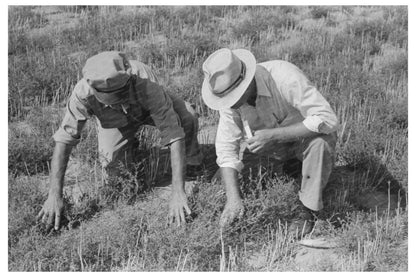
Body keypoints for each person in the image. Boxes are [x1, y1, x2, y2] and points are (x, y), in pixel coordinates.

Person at [37, 51, 202, 230]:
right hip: (115, 123)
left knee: (187, 116)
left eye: (120, 97)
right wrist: (54, 195)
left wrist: (178, 192)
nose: (117, 104)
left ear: (129, 82)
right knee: (117, 175)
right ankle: (134, 150)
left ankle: (192, 160)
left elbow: (172, 132)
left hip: (147, 111)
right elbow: (64, 141)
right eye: (109, 101)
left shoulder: (146, 82)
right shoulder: (82, 93)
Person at [201, 48, 338, 235]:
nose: (231, 103)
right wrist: (233, 198)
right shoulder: (229, 99)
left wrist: (273, 135)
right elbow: (226, 148)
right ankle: (291, 170)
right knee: (221, 182)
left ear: (246, 82)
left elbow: (327, 120)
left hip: (304, 140)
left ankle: (307, 210)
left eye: (234, 97)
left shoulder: (285, 77)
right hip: (268, 149)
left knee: (321, 144)